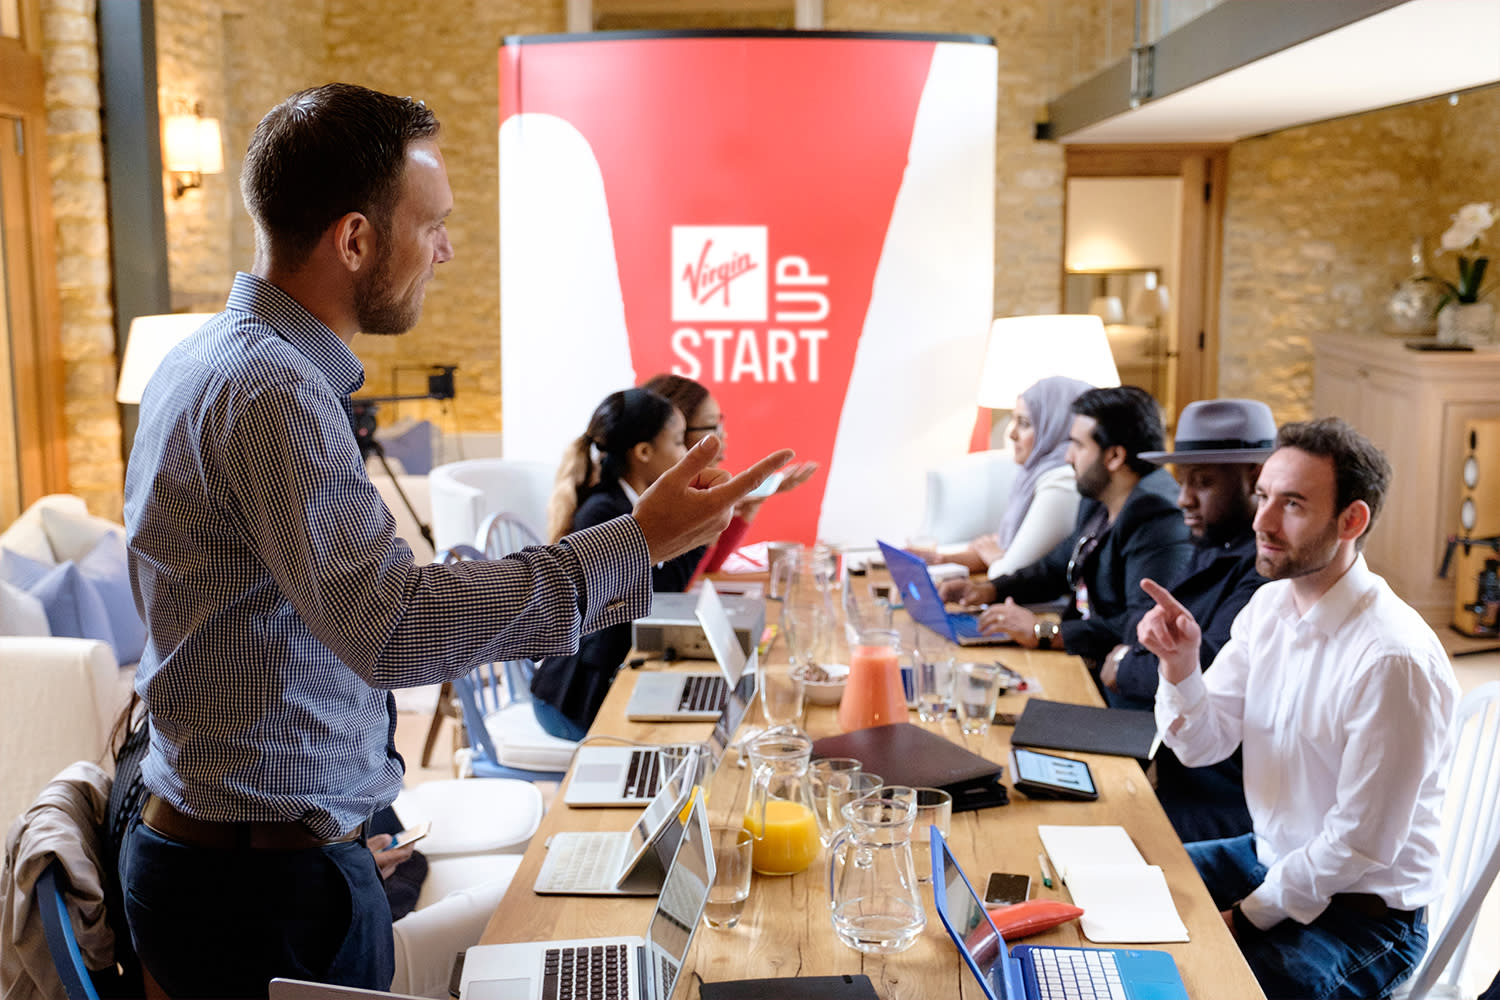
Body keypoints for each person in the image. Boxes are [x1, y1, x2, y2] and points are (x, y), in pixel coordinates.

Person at [118, 83, 790, 998]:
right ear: (354, 240)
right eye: (430, 224)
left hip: (250, 854)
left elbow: (276, 632)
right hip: (261, 888)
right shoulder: (272, 389)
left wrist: (362, 806)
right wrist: (637, 540)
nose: (447, 248)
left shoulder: (207, 360)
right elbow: (389, 628)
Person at [1138, 417, 1458, 999]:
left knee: (1201, 987)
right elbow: (1204, 743)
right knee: (1124, 890)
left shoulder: (1392, 660)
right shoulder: (1269, 608)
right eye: (1263, 497)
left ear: (1351, 521)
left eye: (1291, 504)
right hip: (1272, 856)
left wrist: (1242, 918)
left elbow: (1358, 846)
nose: (1261, 522)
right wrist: (1181, 666)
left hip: (1364, 916)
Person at [1099, 398, 1275, 843]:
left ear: (1255, 480)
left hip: (1217, 798)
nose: (1183, 499)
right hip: (1169, 758)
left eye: (1203, 482)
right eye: (1182, 482)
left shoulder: (1263, 573)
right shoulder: (1211, 541)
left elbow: (1202, 669)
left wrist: (1123, 665)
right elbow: (1141, 619)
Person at [939, 385, 1192, 666]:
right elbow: (1055, 568)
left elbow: (1143, 626)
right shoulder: (1098, 501)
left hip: (1114, 682)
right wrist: (988, 590)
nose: (1068, 456)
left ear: (1115, 457)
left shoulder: (1159, 521)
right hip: (1082, 658)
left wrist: (1044, 632)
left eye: (1078, 445)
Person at [532, 388, 701, 738]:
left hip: (603, 678)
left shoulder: (627, 505)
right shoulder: (605, 513)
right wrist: (702, 529)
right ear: (643, 452)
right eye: (678, 442)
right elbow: (660, 594)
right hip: (575, 699)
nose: (685, 454)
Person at [642, 373, 819, 573]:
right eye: (713, 426)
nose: (723, 435)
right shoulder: (637, 507)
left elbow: (708, 569)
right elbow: (676, 585)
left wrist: (744, 507)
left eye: (721, 424)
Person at [917, 375, 1090, 577]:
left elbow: (1009, 572)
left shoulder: (1062, 482)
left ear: (1056, 426)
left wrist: (998, 557)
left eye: (1024, 423)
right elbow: (1004, 552)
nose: (1012, 434)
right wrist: (942, 559)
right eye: (1013, 420)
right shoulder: (1032, 475)